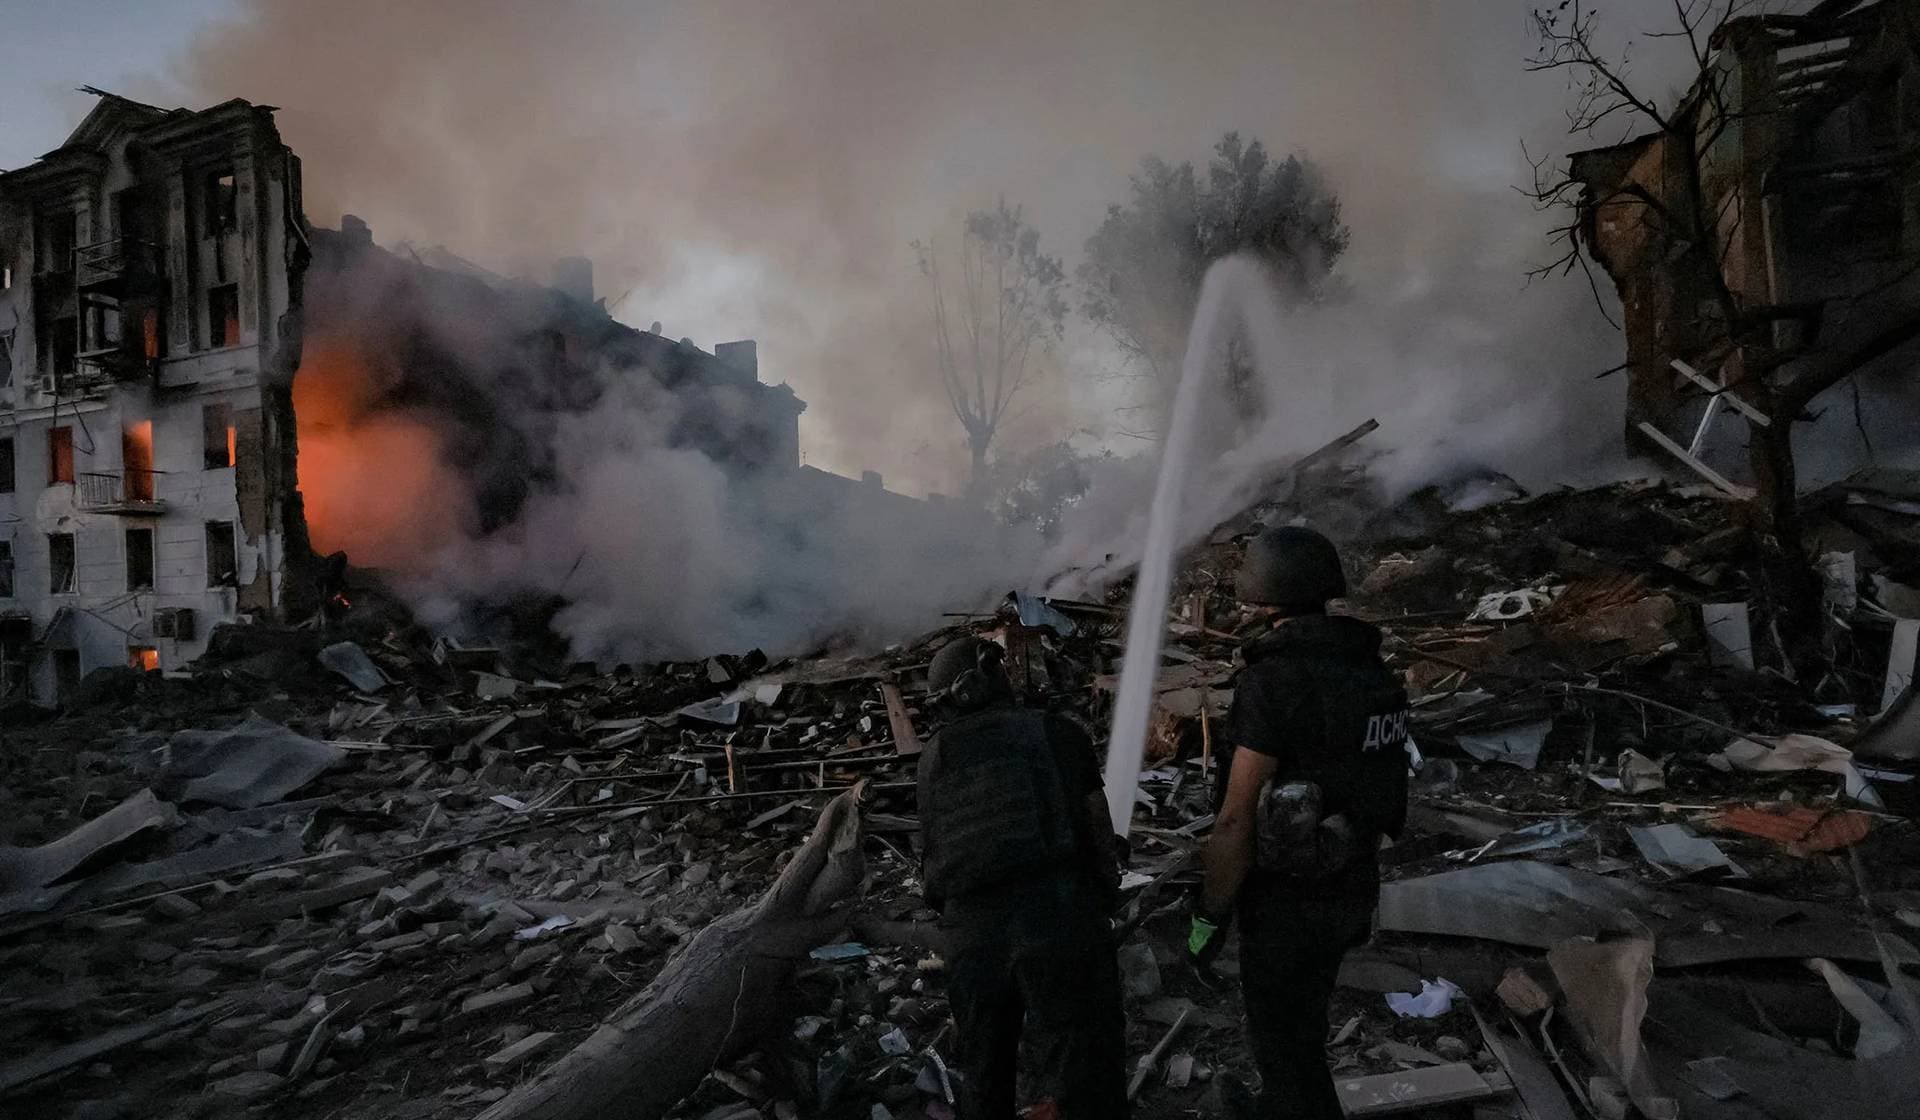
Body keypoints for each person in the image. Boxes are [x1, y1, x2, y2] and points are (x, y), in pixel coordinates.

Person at [1188, 526, 1411, 1120]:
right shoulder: (1373, 672)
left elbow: (1237, 816)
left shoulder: (1275, 679)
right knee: (1304, 1026)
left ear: (1261, 595)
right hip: (1352, 884)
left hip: (1288, 900)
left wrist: (1209, 914)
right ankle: (1282, 1105)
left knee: (1282, 1039)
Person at [916, 636, 1129, 1120]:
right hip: (1057, 915)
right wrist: (1106, 887)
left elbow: (934, 856)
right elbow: (1098, 824)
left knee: (985, 1072)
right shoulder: (1057, 732)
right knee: (1086, 1065)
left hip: (972, 933)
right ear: (988, 680)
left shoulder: (935, 756)